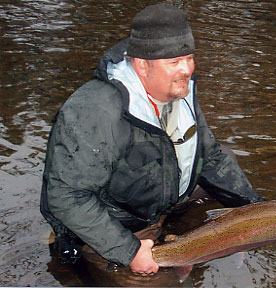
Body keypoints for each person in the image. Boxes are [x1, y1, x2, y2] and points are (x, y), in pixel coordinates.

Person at [40, 3, 261, 276]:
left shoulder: (180, 90)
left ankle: (168, 221)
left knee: (225, 158)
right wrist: (128, 251)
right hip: (117, 221)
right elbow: (66, 196)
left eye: (189, 58)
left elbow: (210, 155)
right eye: (174, 62)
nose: (187, 69)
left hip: (156, 194)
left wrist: (255, 210)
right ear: (143, 66)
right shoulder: (94, 111)